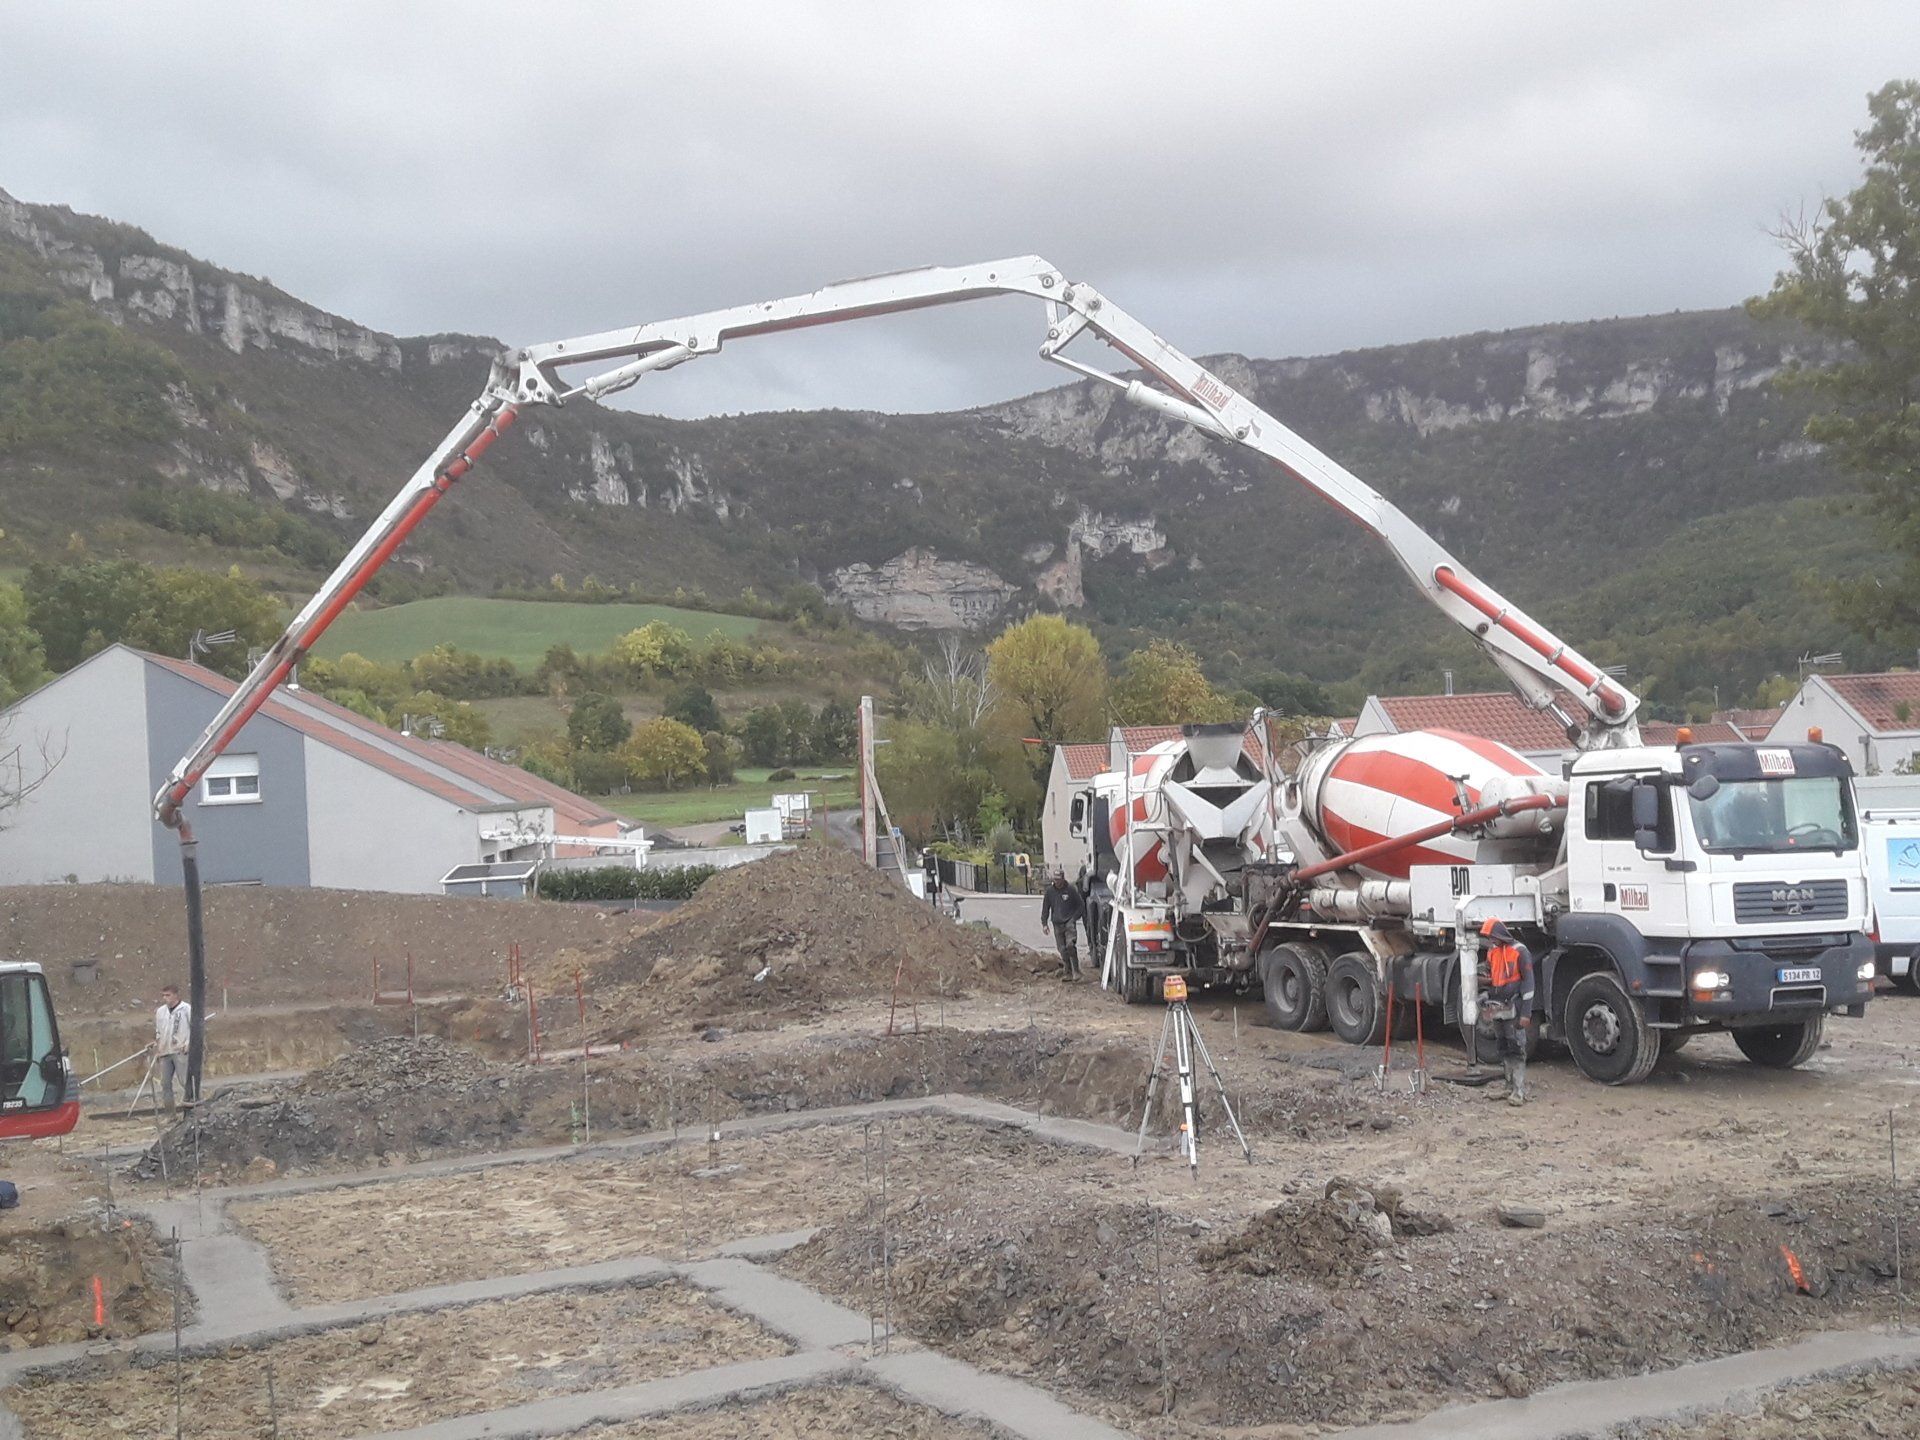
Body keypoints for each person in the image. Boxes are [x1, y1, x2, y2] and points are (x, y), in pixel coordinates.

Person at [1478, 918, 1534, 1106]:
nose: (1491, 940)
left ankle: (1519, 1090)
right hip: (1498, 1007)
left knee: (1516, 1045)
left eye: (1492, 936)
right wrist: (1483, 989)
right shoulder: (1492, 952)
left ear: (1500, 934)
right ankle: (1509, 1086)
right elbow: (1490, 976)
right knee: (1503, 1045)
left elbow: (1528, 983)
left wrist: (1526, 1013)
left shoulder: (1520, 952)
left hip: (1514, 1007)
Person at [149, 984, 191, 1116]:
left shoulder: (186, 1009)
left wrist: (188, 1044)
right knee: (165, 1083)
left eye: (168, 995)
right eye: (163, 995)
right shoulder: (161, 1011)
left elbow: (194, 1028)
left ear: (176, 995)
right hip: (165, 1052)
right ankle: (170, 1114)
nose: (165, 998)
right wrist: (157, 1045)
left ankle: (192, 1111)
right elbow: (159, 1031)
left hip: (180, 1051)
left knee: (185, 1081)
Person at [1040, 871, 1086, 980]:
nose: (1057, 882)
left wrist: (1074, 918)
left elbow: (1080, 905)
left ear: (1063, 879)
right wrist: (1044, 923)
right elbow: (1045, 908)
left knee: (1070, 945)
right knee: (1062, 949)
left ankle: (1076, 971)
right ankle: (1068, 972)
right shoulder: (1050, 892)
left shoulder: (1070, 890)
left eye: (1058, 879)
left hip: (1069, 922)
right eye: (1055, 879)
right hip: (1057, 923)